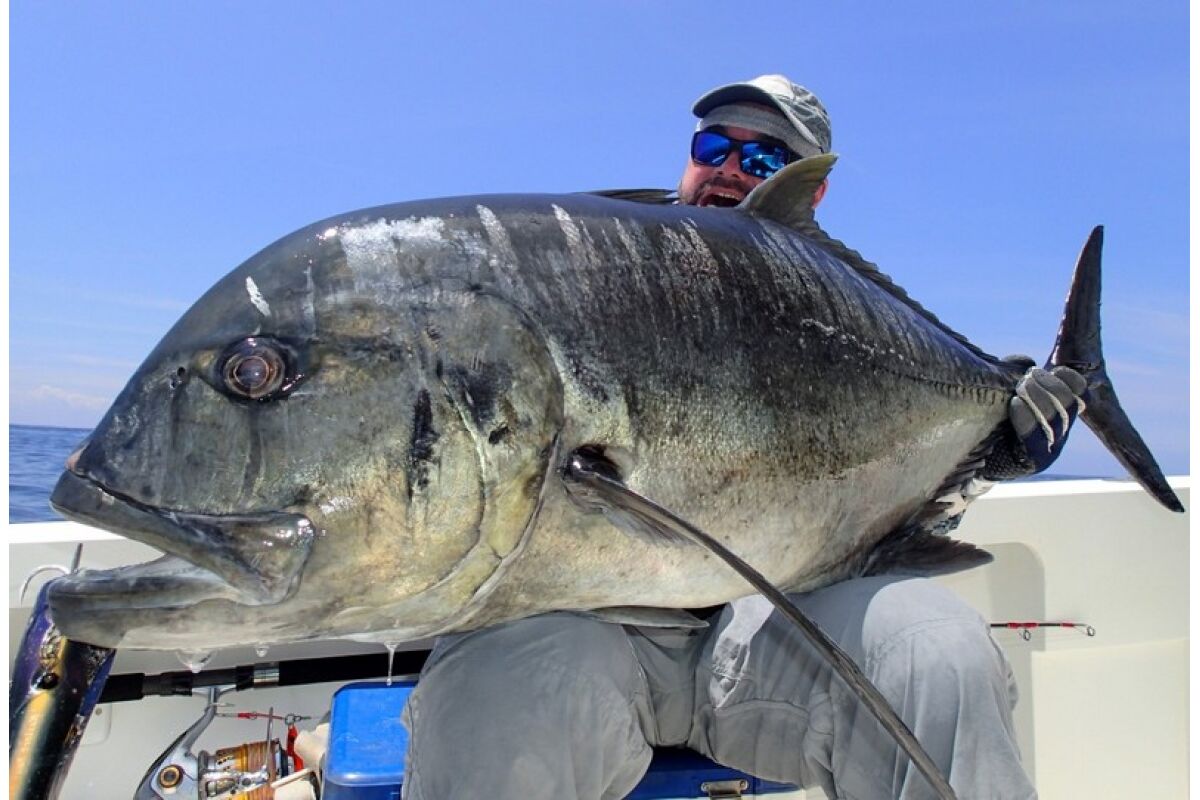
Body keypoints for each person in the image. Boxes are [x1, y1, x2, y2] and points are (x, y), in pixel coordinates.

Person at [401, 74, 1080, 800]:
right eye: (714, 147)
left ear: (810, 191)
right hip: (584, 629)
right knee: (490, 693)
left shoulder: (843, 319)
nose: (729, 169)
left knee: (936, 650)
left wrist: (991, 458)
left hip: (774, 626)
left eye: (764, 160)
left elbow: (894, 502)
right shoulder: (591, 267)